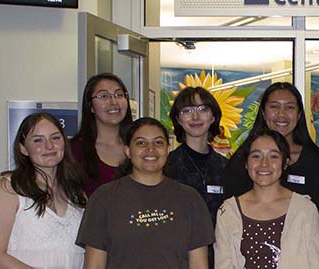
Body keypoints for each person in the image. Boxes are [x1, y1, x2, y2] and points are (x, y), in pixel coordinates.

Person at [77, 117, 214, 269]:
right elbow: (94, 265)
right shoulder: (103, 198)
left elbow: (199, 265)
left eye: (158, 142)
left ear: (168, 149)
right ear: (128, 151)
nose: (151, 149)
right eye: (141, 143)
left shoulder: (190, 199)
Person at [0, 112, 87, 268]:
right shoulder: (8, 189)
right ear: (23, 148)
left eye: (55, 138)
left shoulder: (77, 194)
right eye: (38, 140)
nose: (49, 146)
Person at [223, 82, 319, 226]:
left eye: (289, 107)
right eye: (274, 107)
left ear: (299, 114)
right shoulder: (242, 161)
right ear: (263, 112)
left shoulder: (318, 163)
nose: (281, 114)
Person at [215, 129, 319, 268]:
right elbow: (223, 264)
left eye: (273, 156)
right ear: (246, 162)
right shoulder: (228, 211)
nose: (264, 164)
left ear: (285, 163)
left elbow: (317, 263)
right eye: (256, 156)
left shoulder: (305, 210)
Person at [165, 87, 227, 268]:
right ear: (178, 119)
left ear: (213, 116)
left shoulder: (227, 168)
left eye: (203, 109)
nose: (195, 117)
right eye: (187, 110)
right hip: (177, 257)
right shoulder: (167, 167)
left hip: (219, 255)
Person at [71, 73, 134, 196]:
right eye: (104, 96)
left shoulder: (139, 146)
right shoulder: (74, 151)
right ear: (91, 107)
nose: (113, 101)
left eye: (119, 95)